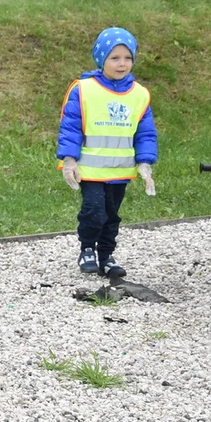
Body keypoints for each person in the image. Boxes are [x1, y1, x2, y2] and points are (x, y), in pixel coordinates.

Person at [57, 27, 158, 277]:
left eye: (127, 58)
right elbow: (70, 127)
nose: (122, 64)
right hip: (89, 170)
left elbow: (145, 133)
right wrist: (69, 160)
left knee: (112, 215)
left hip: (120, 170)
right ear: (101, 59)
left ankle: (106, 254)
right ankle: (87, 249)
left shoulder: (140, 95)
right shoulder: (83, 89)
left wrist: (145, 164)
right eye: (114, 58)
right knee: (94, 210)